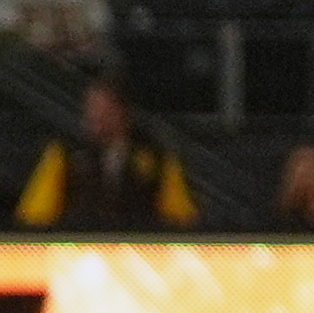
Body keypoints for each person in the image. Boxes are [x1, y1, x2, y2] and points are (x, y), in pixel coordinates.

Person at [15, 79, 196, 229]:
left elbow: (180, 216)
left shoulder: (158, 158)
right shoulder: (64, 153)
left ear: (125, 113)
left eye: (105, 110)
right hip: (77, 255)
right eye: (92, 108)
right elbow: (36, 213)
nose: (95, 117)